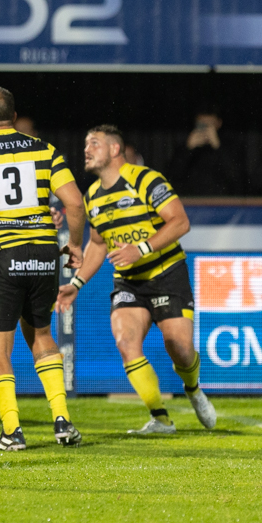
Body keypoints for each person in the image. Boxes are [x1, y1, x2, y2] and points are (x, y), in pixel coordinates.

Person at [0, 86, 86, 452]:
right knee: (41, 334)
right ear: (13, 114)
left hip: (1, 257)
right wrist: (74, 244)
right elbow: (74, 201)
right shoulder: (43, 150)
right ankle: (62, 421)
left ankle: (12, 432)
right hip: (42, 254)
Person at [58, 124, 216, 435]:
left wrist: (140, 249)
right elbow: (99, 245)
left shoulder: (145, 179)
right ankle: (161, 419)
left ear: (115, 149)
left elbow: (180, 221)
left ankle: (193, 388)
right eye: (85, 144)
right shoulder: (91, 196)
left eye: (94, 143)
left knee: (180, 348)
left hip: (167, 273)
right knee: (126, 342)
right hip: (129, 282)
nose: (86, 150)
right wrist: (75, 284)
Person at [166, 107, 239, 196]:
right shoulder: (186, 146)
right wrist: (188, 149)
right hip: (192, 203)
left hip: (222, 203)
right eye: (202, 124)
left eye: (210, 125)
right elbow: (172, 176)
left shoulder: (230, 146)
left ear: (219, 123)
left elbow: (236, 177)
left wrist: (217, 146)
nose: (205, 129)